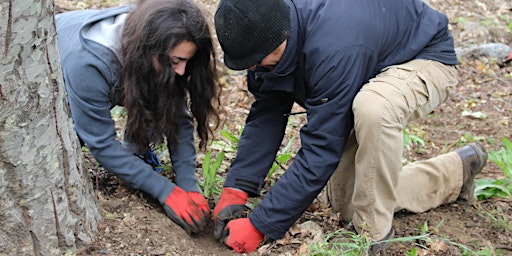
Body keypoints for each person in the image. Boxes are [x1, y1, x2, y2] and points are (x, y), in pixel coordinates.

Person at [212, 0, 488, 253]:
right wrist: (237, 188)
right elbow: (266, 116)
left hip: (423, 55)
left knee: (374, 108)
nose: (258, 67)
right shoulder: (266, 33)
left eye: (263, 58)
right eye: (251, 63)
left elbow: (321, 148)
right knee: (349, 204)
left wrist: (261, 225)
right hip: (366, 59)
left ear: (282, 36)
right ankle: (454, 174)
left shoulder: (334, 48)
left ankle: (373, 235)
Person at [56, 0, 220, 235]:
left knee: (160, 92)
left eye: (187, 61)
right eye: (176, 61)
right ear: (150, 48)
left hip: (114, 68)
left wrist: (187, 185)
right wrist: (165, 191)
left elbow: (178, 118)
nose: (182, 71)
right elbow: (101, 144)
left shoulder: (153, 37)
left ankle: (137, 153)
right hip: (50, 70)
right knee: (68, 142)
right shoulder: (90, 64)